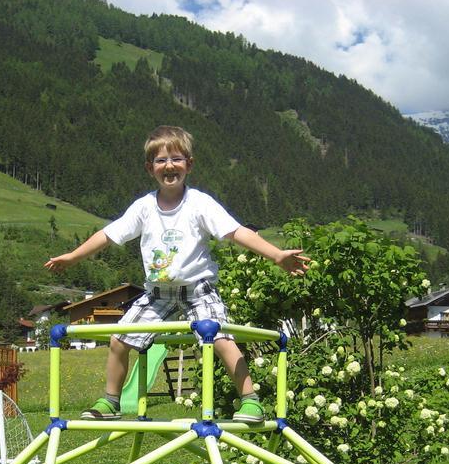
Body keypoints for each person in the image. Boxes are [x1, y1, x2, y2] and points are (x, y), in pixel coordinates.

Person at [44, 125, 309, 422]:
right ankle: (110, 401)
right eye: (161, 160)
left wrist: (276, 255)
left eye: (176, 159)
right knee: (119, 340)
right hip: (157, 294)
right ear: (150, 168)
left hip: (198, 290)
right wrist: (73, 256)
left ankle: (250, 400)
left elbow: (235, 232)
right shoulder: (144, 207)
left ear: (189, 164)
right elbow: (108, 234)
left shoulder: (200, 204)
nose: (169, 166)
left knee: (220, 337)